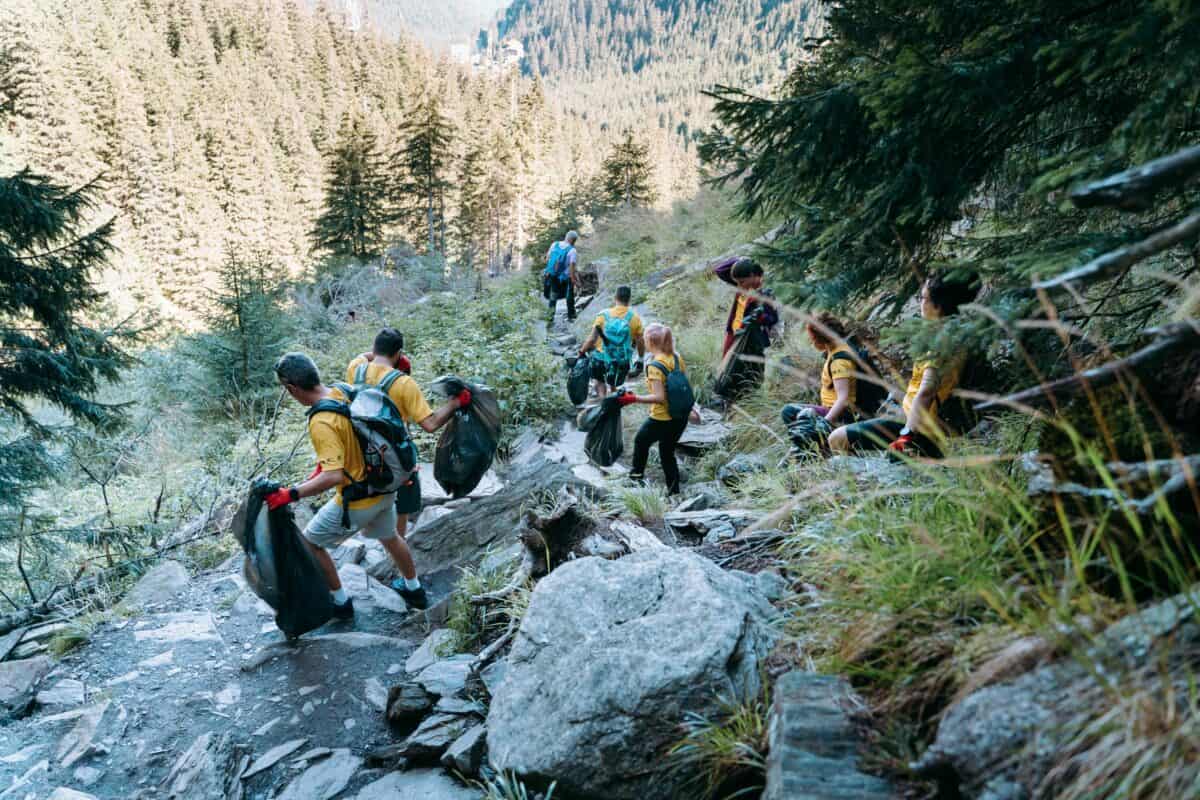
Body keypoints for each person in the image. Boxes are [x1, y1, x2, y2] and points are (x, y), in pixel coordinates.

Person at [265, 352, 469, 619]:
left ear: (291, 388)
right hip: (385, 488)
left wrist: (290, 494)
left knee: (310, 543)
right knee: (391, 538)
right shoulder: (343, 390)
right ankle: (414, 590)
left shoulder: (321, 420)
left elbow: (334, 477)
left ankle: (340, 603)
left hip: (358, 499)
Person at [346, 328, 463, 609]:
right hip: (400, 466)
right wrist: (456, 403)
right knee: (401, 514)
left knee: (385, 510)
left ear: (374, 349)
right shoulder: (403, 384)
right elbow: (431, 424)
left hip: (366, 460)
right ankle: (402, 568)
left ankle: (390, 551)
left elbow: (365, 356)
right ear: (399, 354)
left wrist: (377, 354)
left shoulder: (355, 370)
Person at [828, 273, 980, 458]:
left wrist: (907, 435)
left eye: (923, 298)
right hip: (915, 421)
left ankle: (864, 475)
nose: (920, 303)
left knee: (836, 438)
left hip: (919, 429)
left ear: (939, 305)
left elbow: (927, 390)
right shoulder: (954, 333)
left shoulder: (939, 341)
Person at [616, 323, 701, 495]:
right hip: (680, 416)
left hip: (662, 418)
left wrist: (633, 398)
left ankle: (636, 477)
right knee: (667, 452)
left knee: (641, 441)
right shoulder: (676, 357)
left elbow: (659, 398)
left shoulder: (655, 366)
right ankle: (674, 491)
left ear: (650, 342)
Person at [780, 312, 858, 428]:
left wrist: (825, 423)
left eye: (813, 339)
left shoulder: (839, 362)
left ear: (821, 339)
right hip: (831, 409)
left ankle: (817, 442)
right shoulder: (837, 347)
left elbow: (843, 398)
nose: (812, 342)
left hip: (840, 415)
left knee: (789, 411)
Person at [578, 285, 645, 400]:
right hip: (621, 361)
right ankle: (613, 399)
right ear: (629, 299)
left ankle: (603, 401)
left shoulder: (603, 315)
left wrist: (582, 351)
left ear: (615, 297)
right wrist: (640, 359)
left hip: (601, 358)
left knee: (599, 381)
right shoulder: (635, 318)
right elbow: (640, 341)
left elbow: (592, 339)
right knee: (614, 381)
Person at [718, 257, 779, 357]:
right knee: (726, 368)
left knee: (748, 370)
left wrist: (759, 317)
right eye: (737, 283)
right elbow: (720, 270)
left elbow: (773, 319)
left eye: (741, 282)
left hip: (750, 340)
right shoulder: (744, 286)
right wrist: (744, 261)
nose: (738, 286)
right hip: (733, 334)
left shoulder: (765, 294)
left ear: (751, 275)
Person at [544, 230, 580, 323]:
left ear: (566, 236)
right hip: (565, 277)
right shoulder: (572, 250)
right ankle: (571, 316)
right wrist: (573, 280)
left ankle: (550, 317)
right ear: (574, 240)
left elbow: (547, 258)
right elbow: (572, 266)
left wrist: (550, 270)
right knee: (569, 295)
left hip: (553, 274)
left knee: (553, 295)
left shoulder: (554, 244)